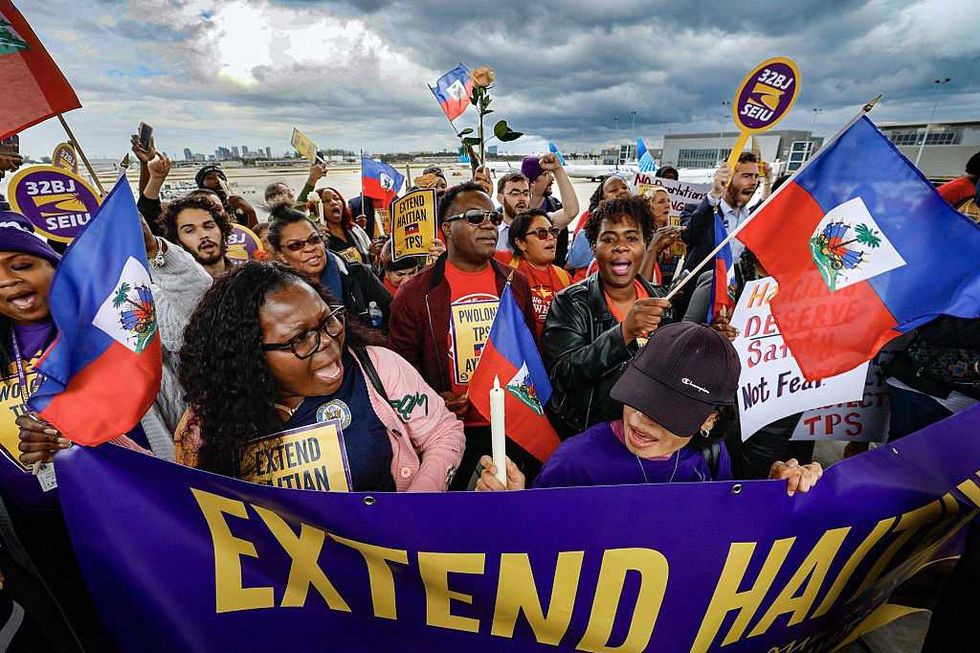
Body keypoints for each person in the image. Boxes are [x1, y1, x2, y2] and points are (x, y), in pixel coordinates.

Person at [9, 209, 210, 649]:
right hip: (42, 529)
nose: (8, 281)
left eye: (22, 265)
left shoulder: (108, 315)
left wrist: (153, 248)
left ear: (56, 265)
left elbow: (195, 309)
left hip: (140, 501)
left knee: (169, 611)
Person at [175, 262, 464, 491]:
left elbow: (442, 434)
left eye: (328, 320)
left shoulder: (377, 366)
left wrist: (412, 509)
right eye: (299, 338)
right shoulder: (208, 423)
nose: (327, 340)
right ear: (249, 356)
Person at [477, 322, 823, 494]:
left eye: (668, 411)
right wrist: (515, 509)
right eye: (639, 397)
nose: (641, 420)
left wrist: (778, 496)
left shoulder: (713, 458)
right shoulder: (573, 465)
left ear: (710, 418)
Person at [388, 182, 536, 488]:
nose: (489, 226)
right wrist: (434, 400)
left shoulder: (515, 283)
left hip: (512, 425)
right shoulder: (415, 295)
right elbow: (401, 373)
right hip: (452, 432)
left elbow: (530, 354)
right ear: (446, 229)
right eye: (474, 218)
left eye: (494, 217)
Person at [542, 196, 674, 438]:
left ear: (646, 244)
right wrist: (623, 334)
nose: (620, 246)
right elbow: (563, 375)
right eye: (608, 238)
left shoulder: (665, 303)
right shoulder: (570, 302)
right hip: (590, 437)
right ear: (594, 247)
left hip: (649, 437)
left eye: (632, 238)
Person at [267, 206, 391, 329]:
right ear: (281, 254)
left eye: (315, 239)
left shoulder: (359, 274)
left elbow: (394, 316)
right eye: (296, 245)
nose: (310, 248)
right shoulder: (275, 298)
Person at [680, 152, 760, 276]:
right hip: (705, 291)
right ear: (727, 178)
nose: (754, 182)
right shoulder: (697, 211)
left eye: (756, 176)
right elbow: (689, 235)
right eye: (747, 176)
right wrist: (715, 194)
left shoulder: (751, 218)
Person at [504, 209, 571, 337]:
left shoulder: (564, 276)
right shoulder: (507, 267)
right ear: (521, 243)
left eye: (553, 231)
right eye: (541, 233)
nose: (551, 237)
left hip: (554, 354)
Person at [566, 175, 632, 280]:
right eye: (613, 190)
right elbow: (575, 260)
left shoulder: (639, 221)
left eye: (624, 188)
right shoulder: (591, 222)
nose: (621, 191)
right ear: (602, 200)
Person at [521, 154, 580, 267]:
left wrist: (558, 170)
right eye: (545, 174)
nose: (551, 178)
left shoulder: (554, 206)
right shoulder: (514, 212)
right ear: (531, 182)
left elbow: (571, 212)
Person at [161, 194, 238, 278]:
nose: (204, 235)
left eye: (209, 226)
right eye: (189, 231)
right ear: (177, 242)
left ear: (222, 230)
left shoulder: (249, 278)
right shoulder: (171, 288)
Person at [317, 186, 372, 264]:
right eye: (326, 201)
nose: (333, 203)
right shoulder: (319, 237)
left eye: (336, 199)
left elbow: (369, 259)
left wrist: (373, 253)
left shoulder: (355, 230)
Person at [194, 163, 257, 228]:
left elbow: (251, 234)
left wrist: (251, 213)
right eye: (210, 178)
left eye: (221, 177)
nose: (218, 181)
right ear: (201, 184)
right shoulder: (196, 209)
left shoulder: (234, 205)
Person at [494, 171, 531, 251]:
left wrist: (557, 169)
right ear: (500, 198)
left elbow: (565, 214)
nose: (522, 198)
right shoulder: (491, 232)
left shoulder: (537, 226)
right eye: (515, 194)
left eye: (526, 194)